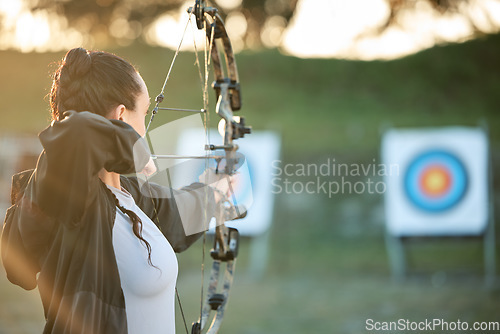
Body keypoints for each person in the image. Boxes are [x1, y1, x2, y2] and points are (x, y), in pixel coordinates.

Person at [1, 47, 229, 334]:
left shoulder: (129, 195)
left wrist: (217, 190)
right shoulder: (66, 193)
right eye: (143, 114)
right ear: (121, 116)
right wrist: (131, 148)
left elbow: (176, 212)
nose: (144, 130)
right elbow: (75, 131)